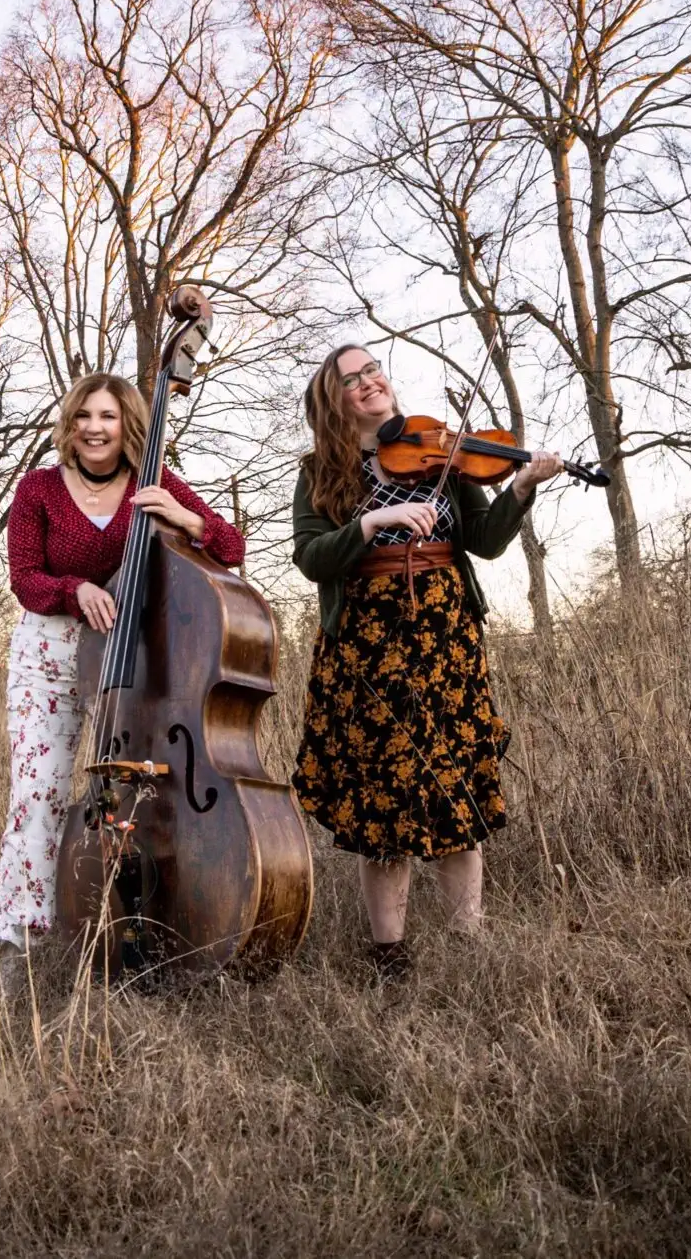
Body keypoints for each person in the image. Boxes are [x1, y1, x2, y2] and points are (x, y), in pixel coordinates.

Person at [289, 346, 562, 979]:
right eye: (349, 379)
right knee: (382, 799)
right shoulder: (319, 471)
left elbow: (487, 543)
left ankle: (470, 945)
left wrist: (520, 486)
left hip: (446, 641)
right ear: (332, 402)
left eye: (370, 370)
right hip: (366, 649)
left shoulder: (442, 450)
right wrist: (371, 523)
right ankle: (390, 955)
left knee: (456, 790)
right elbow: (310, 559)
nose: (367, 382)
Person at [0, 371, 247, 961]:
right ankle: (20, 943)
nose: (93, 428)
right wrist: (76, 589)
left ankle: (133, 930)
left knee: (139, 799)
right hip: (51, 657)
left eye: (106, 417)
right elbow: (24, 577)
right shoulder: (39, 489)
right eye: (83, 416)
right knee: (39, 796)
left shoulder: (155, 482)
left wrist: (187, 521)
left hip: (132, 668)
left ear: (127, 423)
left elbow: (231, 548)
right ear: (70, 425)